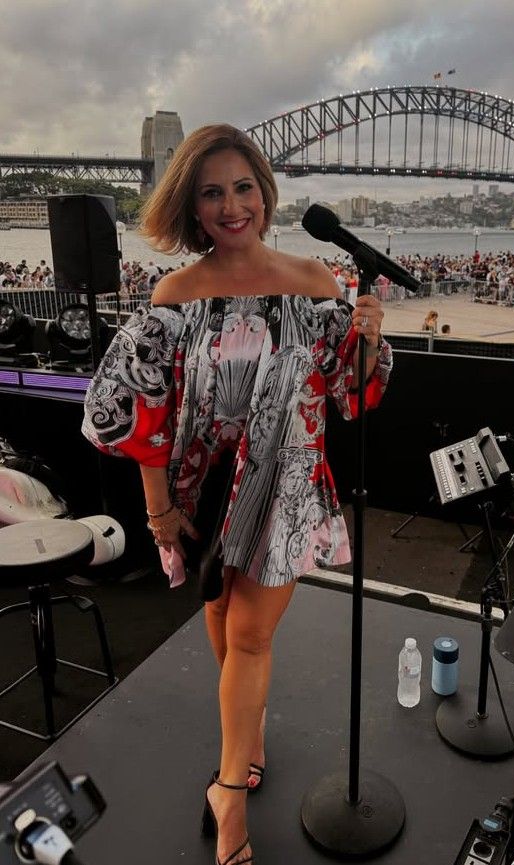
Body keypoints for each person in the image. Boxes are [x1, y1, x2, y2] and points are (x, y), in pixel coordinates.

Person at [81, 124, 392, 865]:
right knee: (220, 613)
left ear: (265, 193)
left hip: (285, 485)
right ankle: (245, 740)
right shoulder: (174, 295)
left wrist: (369, 340)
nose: (232, 206)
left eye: (243, 187)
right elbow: (145, 415)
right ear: (192, 207)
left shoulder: (313, 281)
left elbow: (350, 394)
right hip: (205, 488)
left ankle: (229, 795)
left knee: (250, 633)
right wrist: (158, 508)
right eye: (212, 192)